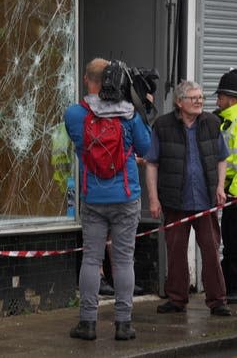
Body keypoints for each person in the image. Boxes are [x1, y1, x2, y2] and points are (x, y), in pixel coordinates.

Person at [65, 58, 151, 341]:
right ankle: (123, 324)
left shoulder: (76, 115)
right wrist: (139, 105)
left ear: (88, 80)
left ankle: (87, 323)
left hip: (93, 196)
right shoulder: (129, 115)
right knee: (124, 261)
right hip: (126, 196)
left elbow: (79, 143)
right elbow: (147, 147)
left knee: (91, 259)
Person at [146, 80, 232, 317]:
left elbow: (222, 158)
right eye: (193, 98)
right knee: (175, 251)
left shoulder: (213, 123)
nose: (199, 102)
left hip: (205, 201)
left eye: (201, 98)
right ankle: (176, 299)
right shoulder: (162, 126)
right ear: (179, 102)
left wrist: (220, 187)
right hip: (175, 200)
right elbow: (152, 163)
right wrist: (154, 199)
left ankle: (217, 301)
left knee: (212, 251)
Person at [213, 68, 237, 303]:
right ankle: (231, 285)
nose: (217, 100)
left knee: (236, 244)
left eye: (220, 96)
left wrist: (231, 192)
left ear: (232, 98)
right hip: (233, 194)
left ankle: (236, 289)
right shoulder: (225, 120)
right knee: (232, 243)